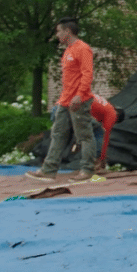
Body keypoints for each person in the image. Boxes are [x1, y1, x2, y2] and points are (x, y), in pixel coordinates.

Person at [27, 18, 98, 181]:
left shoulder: (83, 49)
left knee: (84, 135)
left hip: (79, 101)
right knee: (57, 133)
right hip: (65, 101)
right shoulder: (67, 51)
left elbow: (87, 74)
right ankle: (49, 170)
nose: (57, 35)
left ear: (68, 31)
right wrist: (61, 100)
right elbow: (69, 79)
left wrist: (80, 95)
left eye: (59, 31)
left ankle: (87, 170)